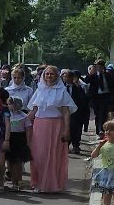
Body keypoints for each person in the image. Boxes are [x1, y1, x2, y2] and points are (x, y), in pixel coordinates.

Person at [27, 66, 78, 194]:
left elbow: (66, 112)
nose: (49, 76)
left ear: (56, 76)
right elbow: (34, 110)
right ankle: (38, 182)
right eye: (47, 74)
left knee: (53, 155)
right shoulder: (39, 90)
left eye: (52, 74)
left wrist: (67, 130)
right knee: (38, 155)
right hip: (39, 126)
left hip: (56, 126)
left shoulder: (61, 91)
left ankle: (51, 184)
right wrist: (21, 121)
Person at [5, 66, 35, 191]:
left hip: (23, 116)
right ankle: (11, 175)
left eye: (19, 77)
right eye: (14, 77)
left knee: (18, 157)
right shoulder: (7, 89)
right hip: (9, 118)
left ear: (23, 78)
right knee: (10, 157)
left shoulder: (28, 90)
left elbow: (32, 105)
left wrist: (25, 117)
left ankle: (18, 180)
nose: (16, 80)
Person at [86, 59, 114, 134]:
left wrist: (113, 95)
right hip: (96, 97)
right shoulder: (93, 76)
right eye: (98, 67)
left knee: (104, 114)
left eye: (101, 66)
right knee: (97, 114)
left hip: (106, 96)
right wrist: (91, 73)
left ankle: (102, 129)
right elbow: (86, 81)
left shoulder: (108, 75)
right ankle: (99, 130)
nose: (99, 68)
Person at [64, 69, 92, 154]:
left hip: (76, 113)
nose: (66, 78)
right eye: (65, 77)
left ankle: (76, 146)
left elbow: (83, 101)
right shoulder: (61, 88)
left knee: (76, 130)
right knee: (66, 129)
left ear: (72, 78)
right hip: (64, 112)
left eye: (68, 77)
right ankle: (65, 146)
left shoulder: (78, 88)